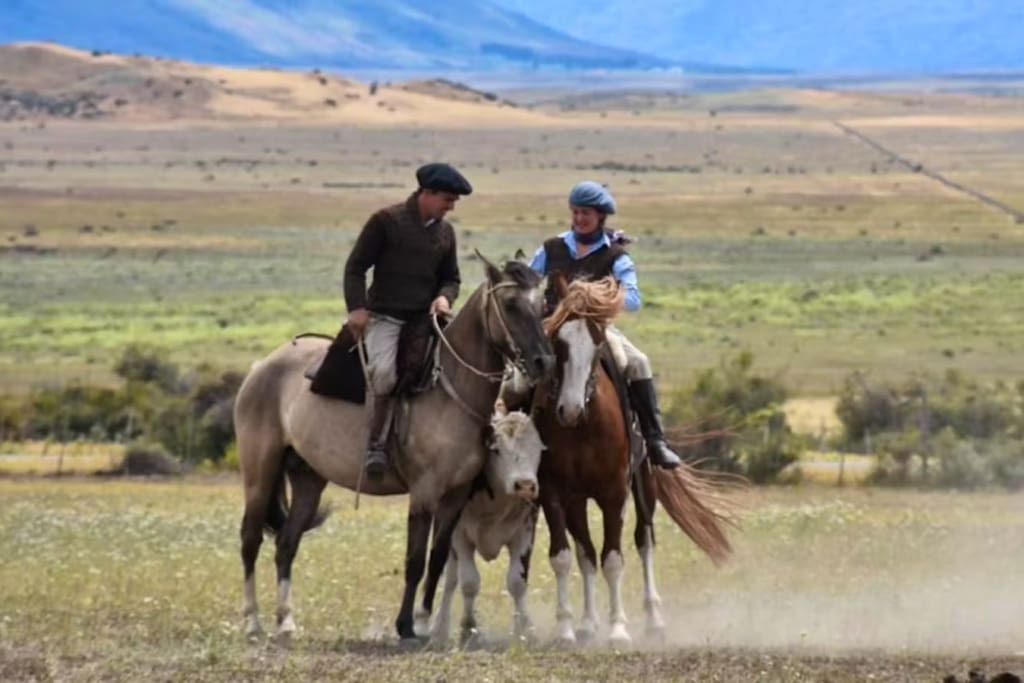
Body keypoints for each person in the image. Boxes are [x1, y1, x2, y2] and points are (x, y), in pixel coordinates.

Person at [528, 180, 681, 470]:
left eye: (586, 213)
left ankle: (655, 441)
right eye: (575, 212)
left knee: (638, 363)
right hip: (551, 327)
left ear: (601, 216)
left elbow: (633, 299)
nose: (580, 219)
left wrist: (593, 298)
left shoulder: (616, 256)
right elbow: (530, 282)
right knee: (516, 377)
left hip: (595, 329)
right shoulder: (552, 247)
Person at [343, 162, 473, 480]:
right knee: (385, 374)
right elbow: (355, 267)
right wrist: (357, 308)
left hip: (425, 319)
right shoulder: (385, 222)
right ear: (426, 193)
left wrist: (445, 297)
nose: (451, 206)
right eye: (447, 199)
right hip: (385, 315)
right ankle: (376, 446)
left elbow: (451, 278)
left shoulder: (445, 232)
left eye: (454, 201)